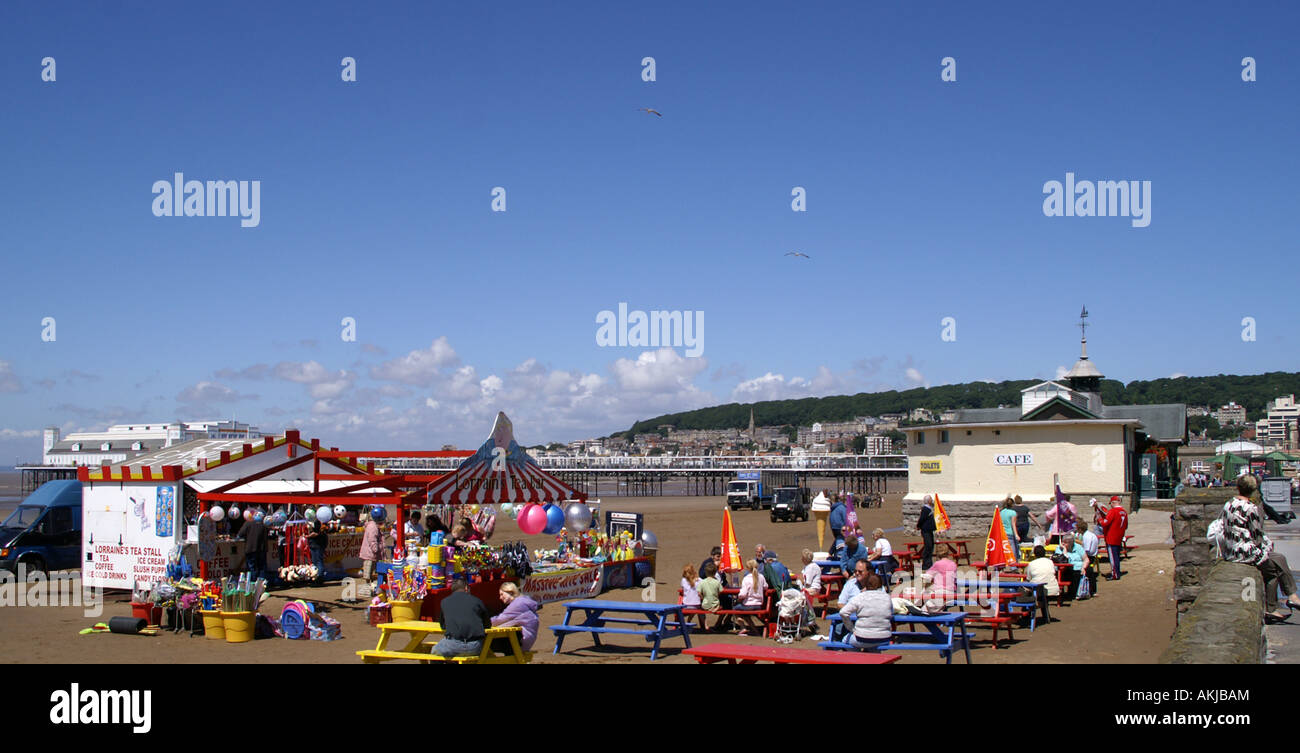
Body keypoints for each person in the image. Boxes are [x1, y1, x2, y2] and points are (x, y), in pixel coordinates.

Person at [1217, 474, 1300, 622]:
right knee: (1273, 570)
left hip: (1231, 550)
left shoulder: (1229, 504)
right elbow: (1257, 537)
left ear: (1238, 488)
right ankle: (1274, 607)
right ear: (1254, 490)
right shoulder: (1250, 508)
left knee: (1280, 558)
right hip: (1245, 552)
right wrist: (1268, 546)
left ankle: (1292, 597)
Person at [432, 579, 491, 657]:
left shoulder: (445, 602)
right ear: (466, 588)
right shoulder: (477, 601)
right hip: (475, 646)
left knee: (434, 651)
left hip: (452, 646)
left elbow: (443, 625)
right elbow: (487, 624)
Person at [838, 572, 892, 650]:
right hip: (884, 638)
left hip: (862, 638)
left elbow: (843, 612)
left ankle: (858, 659)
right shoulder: (887, 598)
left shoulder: (860, 597)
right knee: (873, 647)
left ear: (866, 585)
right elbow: (891, 612)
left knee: (844, 640)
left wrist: (851, 628)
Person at [490, 582, 541, 651]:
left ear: (510, 592)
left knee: (486, 642)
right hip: (526, 638)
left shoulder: (517, 604)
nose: (500, 597)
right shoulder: (522, 601)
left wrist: (484, 622)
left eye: (502, 594)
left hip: (521, 640)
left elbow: (499, 620)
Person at [1095, 496, 1128, 580]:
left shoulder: (1113, 511)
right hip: (1119, 536)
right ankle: (1117, 572)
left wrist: (1099, 519)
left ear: (1113, 503)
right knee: (1116, 556)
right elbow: (1126, 525)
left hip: (1111, 537)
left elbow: (1105, 523)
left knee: (1113, 557)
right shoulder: (1124, 512)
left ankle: (1115, 574)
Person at [733, 559, 769, 636]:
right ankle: (754, 630)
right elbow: (766, 586)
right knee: (745, 614)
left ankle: (743, 627)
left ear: (748, 568)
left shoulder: (746, 579)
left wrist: (738, 599)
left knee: (735, 608)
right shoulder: (761, 577)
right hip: (759, 604)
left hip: (748, 604)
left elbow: (743, 594)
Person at [1024, 545, 1061, 618]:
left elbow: (1028, 578)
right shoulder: (1050, 562)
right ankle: (1045, 616)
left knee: (1026, 591)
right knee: (1041, 594)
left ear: (1034, 554)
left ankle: (1026, 614)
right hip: (1053, 589)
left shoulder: (1031, 564)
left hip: (1040, 591)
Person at [237, 512, 268, 583]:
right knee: (262, 568)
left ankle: (253, 585)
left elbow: (240, 534)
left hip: (251, 548)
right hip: (262, 549)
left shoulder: (248, 523)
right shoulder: (264, 524)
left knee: (252, 568)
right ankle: (261, 585)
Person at [1057, 533, 1087, 600]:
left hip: (1077, 568)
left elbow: (1086, 559)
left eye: (1065, 542)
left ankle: (1074, 593)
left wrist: (1083, 568)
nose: (1063, 543)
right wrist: (1064, 550)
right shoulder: (1059, 548)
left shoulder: (1078, 547)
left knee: (1079, 572)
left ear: (1071, 543)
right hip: (1064, 568)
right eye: (1062, 542)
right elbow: (1062, 560)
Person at [696, 560, 725, 632]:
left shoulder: (702, 582)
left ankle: (705, 625)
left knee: (700, 610)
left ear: (705, 572)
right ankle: (718, 621)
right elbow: (721, 591)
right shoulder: (717, 582)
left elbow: (699, 593)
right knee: (724, 607)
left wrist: (703, 598)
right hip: (715, 604)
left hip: (705, 605)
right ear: (715, 572)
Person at [359, 512, 382, 596]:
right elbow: (372, 540)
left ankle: (369, 590)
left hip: (369, 553)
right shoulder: (373, 527)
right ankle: (367, 591)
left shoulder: (371, 525)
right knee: (369, 574)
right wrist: (376, 550)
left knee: (369, 574)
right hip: (371, 553)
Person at [1077, 520, 1101, 595]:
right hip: (1092, 555)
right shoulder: (1090, 534)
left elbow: (1086, 550)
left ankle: (1087, 589)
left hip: (1090, 556)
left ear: (1080, 529)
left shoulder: (1086, 536)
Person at [305, 518, 328, 584]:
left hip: (317, 546)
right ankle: (316, 577)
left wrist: (307, 536)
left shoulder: (320, 528)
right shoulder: (320, 527)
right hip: (315, 545)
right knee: (315, 562)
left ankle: (319, 577)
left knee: (318, 561)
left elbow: (316, 534)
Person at [917, 495, 936, 570]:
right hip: (926, 530)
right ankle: (925, 564)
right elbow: (922, 519)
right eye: (931, 499)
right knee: (928, 546)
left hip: (929, 530)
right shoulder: (925, 509)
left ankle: (929, 563)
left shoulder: (929, 508)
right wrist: (918, 525)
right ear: (928, 501)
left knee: (931, 546)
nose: (932, 500)